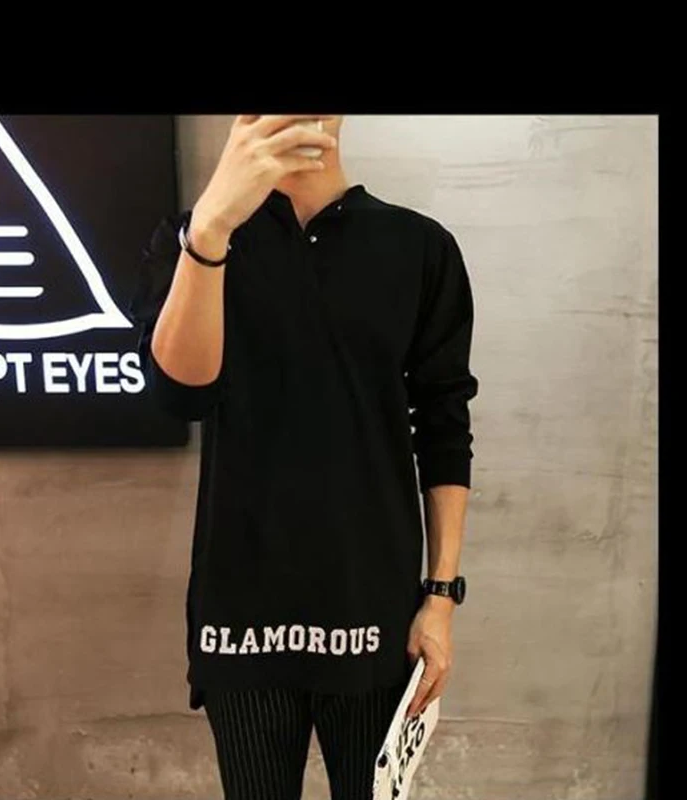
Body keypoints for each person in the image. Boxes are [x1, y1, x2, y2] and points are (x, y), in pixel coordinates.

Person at [128, 114, 479, 800]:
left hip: (373, 611)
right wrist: (211, 230)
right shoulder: (193, 238)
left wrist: (440, 598)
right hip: (241, 613)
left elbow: (443, 428)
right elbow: (180, 394)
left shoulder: (418, 247)